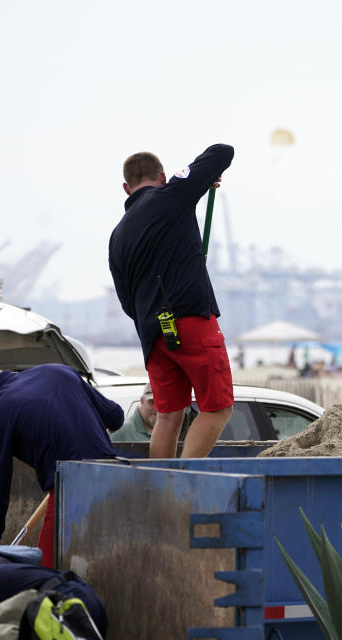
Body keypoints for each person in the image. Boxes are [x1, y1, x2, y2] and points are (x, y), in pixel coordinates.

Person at [109, 144, 235, 459]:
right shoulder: (171, 195)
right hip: (189, 319)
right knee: (217, 408)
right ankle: (184, 483)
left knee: (168, 416)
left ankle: (160, 488)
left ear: (126, 188)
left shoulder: (118, 235)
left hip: (153, 336)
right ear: (163, 177)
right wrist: (201, 179)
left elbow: (127, 302)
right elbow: (223, 151)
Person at [0, 346, 122, 567]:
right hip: (118, 480)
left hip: (69, 491)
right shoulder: (59, 372)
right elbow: (115, 417)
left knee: (45, 576)